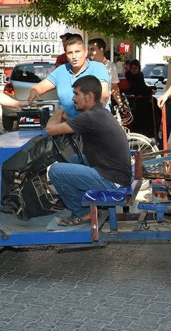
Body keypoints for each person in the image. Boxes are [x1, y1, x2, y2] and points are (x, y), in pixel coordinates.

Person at [45, 76, 131, 226]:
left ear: (90, 96)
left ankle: (83, 213)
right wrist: (65, 119)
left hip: (112, 180)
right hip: (118, 175)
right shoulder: (100, 113)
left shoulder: (90, 118)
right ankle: (84, 205)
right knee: (74, 160)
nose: (73, 98)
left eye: (76, 94)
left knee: (55, 170)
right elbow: (74, 125)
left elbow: (50, 129)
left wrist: (57, 113)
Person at [27, 35, 109, 120]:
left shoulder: (98, 68)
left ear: (85, 52)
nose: (74, 56)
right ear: (66, 55)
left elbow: (104, 96)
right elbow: (39, 87)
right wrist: (33, 93)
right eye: (70, 53)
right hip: (69, 126)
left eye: (77, 52)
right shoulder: (61, 70)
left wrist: (93, 119)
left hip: (96, 123)